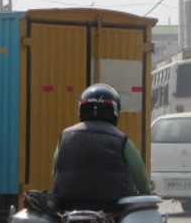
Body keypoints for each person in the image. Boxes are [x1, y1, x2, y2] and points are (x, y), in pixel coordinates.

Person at [52, 83, 151, 211]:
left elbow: (55, 170)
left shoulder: (65, 136)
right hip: (113, 208)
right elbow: (140, 176)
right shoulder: (122, 140)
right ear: (114, 111)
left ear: (81, 109)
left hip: (69, 206)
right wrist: (146, 196)